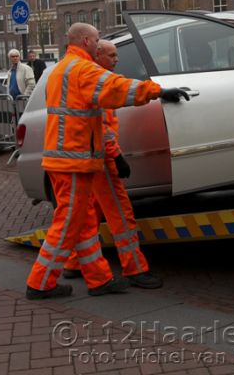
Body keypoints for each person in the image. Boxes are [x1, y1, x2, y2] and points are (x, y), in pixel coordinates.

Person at [25, 23, 190, 300]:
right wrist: (158, 91)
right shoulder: (82, 69)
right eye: (98, 40)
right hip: (75, 161)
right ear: (87, 40)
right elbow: (116, 87)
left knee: (83, 223)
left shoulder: (62, 69)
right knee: (67, 224)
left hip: (66, 160)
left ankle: (98, 279)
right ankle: (41, 283)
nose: (102, 46)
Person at [61, 39, 162, 290]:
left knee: (91, 212)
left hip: (88, 156)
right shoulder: (99, 79)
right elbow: (103, 128)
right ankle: (135, 268)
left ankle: (73, 263)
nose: (117, 59)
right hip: (102, 159)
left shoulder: (83, 75)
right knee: (120, 213)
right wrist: (117, 156)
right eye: (112, 55)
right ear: (98, 56)